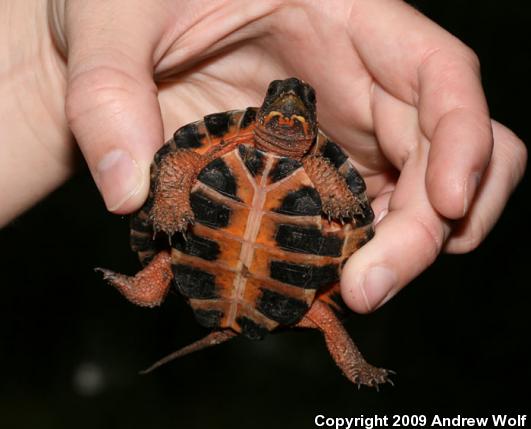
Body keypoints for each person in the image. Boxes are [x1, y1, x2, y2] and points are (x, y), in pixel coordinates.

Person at [0, 0, 526, 314]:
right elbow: (181, 163)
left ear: (309, 120)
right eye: (281, 94)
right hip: (213, 248)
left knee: (318, 313)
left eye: (303, 102)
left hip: (281, 271)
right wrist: (55, 68)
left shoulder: (319, 163)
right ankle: (148, 288)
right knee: (170, 256)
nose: (291, 101)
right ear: (267, 104)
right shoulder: (231, 139)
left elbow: (343, 203)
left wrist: (53, 74)